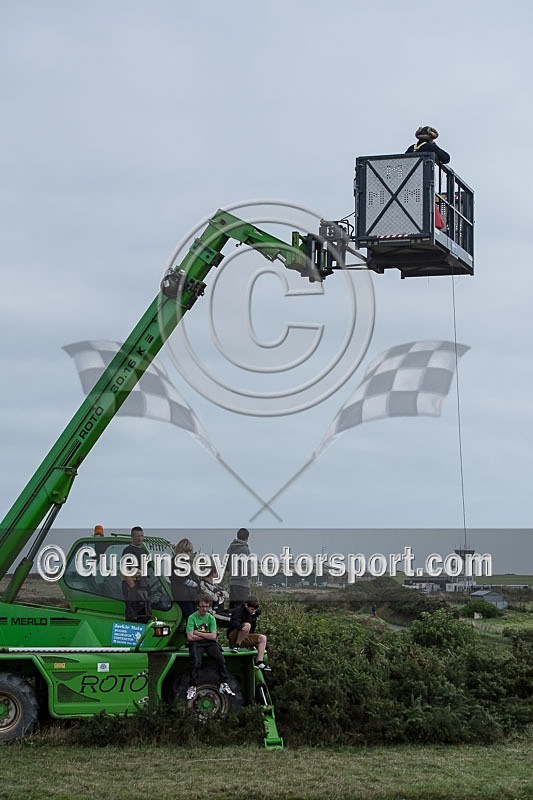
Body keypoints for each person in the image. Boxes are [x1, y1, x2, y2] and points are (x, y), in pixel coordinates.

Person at [185, 595, 235, 701]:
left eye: (207, 606)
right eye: (202, 606)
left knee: (220, 659)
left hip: (209, 643)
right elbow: (190, 637)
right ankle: (192, 686)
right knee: (196, 661)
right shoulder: (192, 617)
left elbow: (213, 636)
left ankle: (223, 683)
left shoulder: (211, 618)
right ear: (198, 606)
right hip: (196, 643)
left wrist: (197, 632)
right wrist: (205, 635)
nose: (204, 609)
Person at [227, 596, 271, 671]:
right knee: (247, 625)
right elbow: (234, 622)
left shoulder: (252, 614)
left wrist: (254, 618)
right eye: (252, 609)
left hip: (244, 636)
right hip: (233, 635)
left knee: (263, 638)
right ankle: (236, 645)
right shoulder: (238, 610)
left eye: (255, 610)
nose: (253, 611)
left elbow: (252, 630)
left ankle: (259, 662)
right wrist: (241, 627)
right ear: (246, 605)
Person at [121, 526, 152, 623]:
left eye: (141, 536)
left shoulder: (143, 551)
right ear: (132, 537)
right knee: (133, 613)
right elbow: (124, 569)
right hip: (132, 585)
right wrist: (132, 586)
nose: (140, 538)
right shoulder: (128, 551)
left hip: (142, 584)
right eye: (137, 536)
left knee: (144, 612)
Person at [170, 537, 200, 622]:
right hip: (182, 596)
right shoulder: (175, 562)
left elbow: (194, 577)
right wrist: (191, 583)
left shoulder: (186, 563)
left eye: (189, 551)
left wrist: (198, 588)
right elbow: (179, 577)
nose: (188, 554)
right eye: (186, 551)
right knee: (191, 618)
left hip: (190, 596)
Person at [227, 527, 251, 608]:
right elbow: (248, 568)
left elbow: (227, 566)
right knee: (242, 610)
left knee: (233, 609)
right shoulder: (245, 549)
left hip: (233, 583)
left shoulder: (230, 548)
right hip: (243, 584)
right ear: (247, 538)